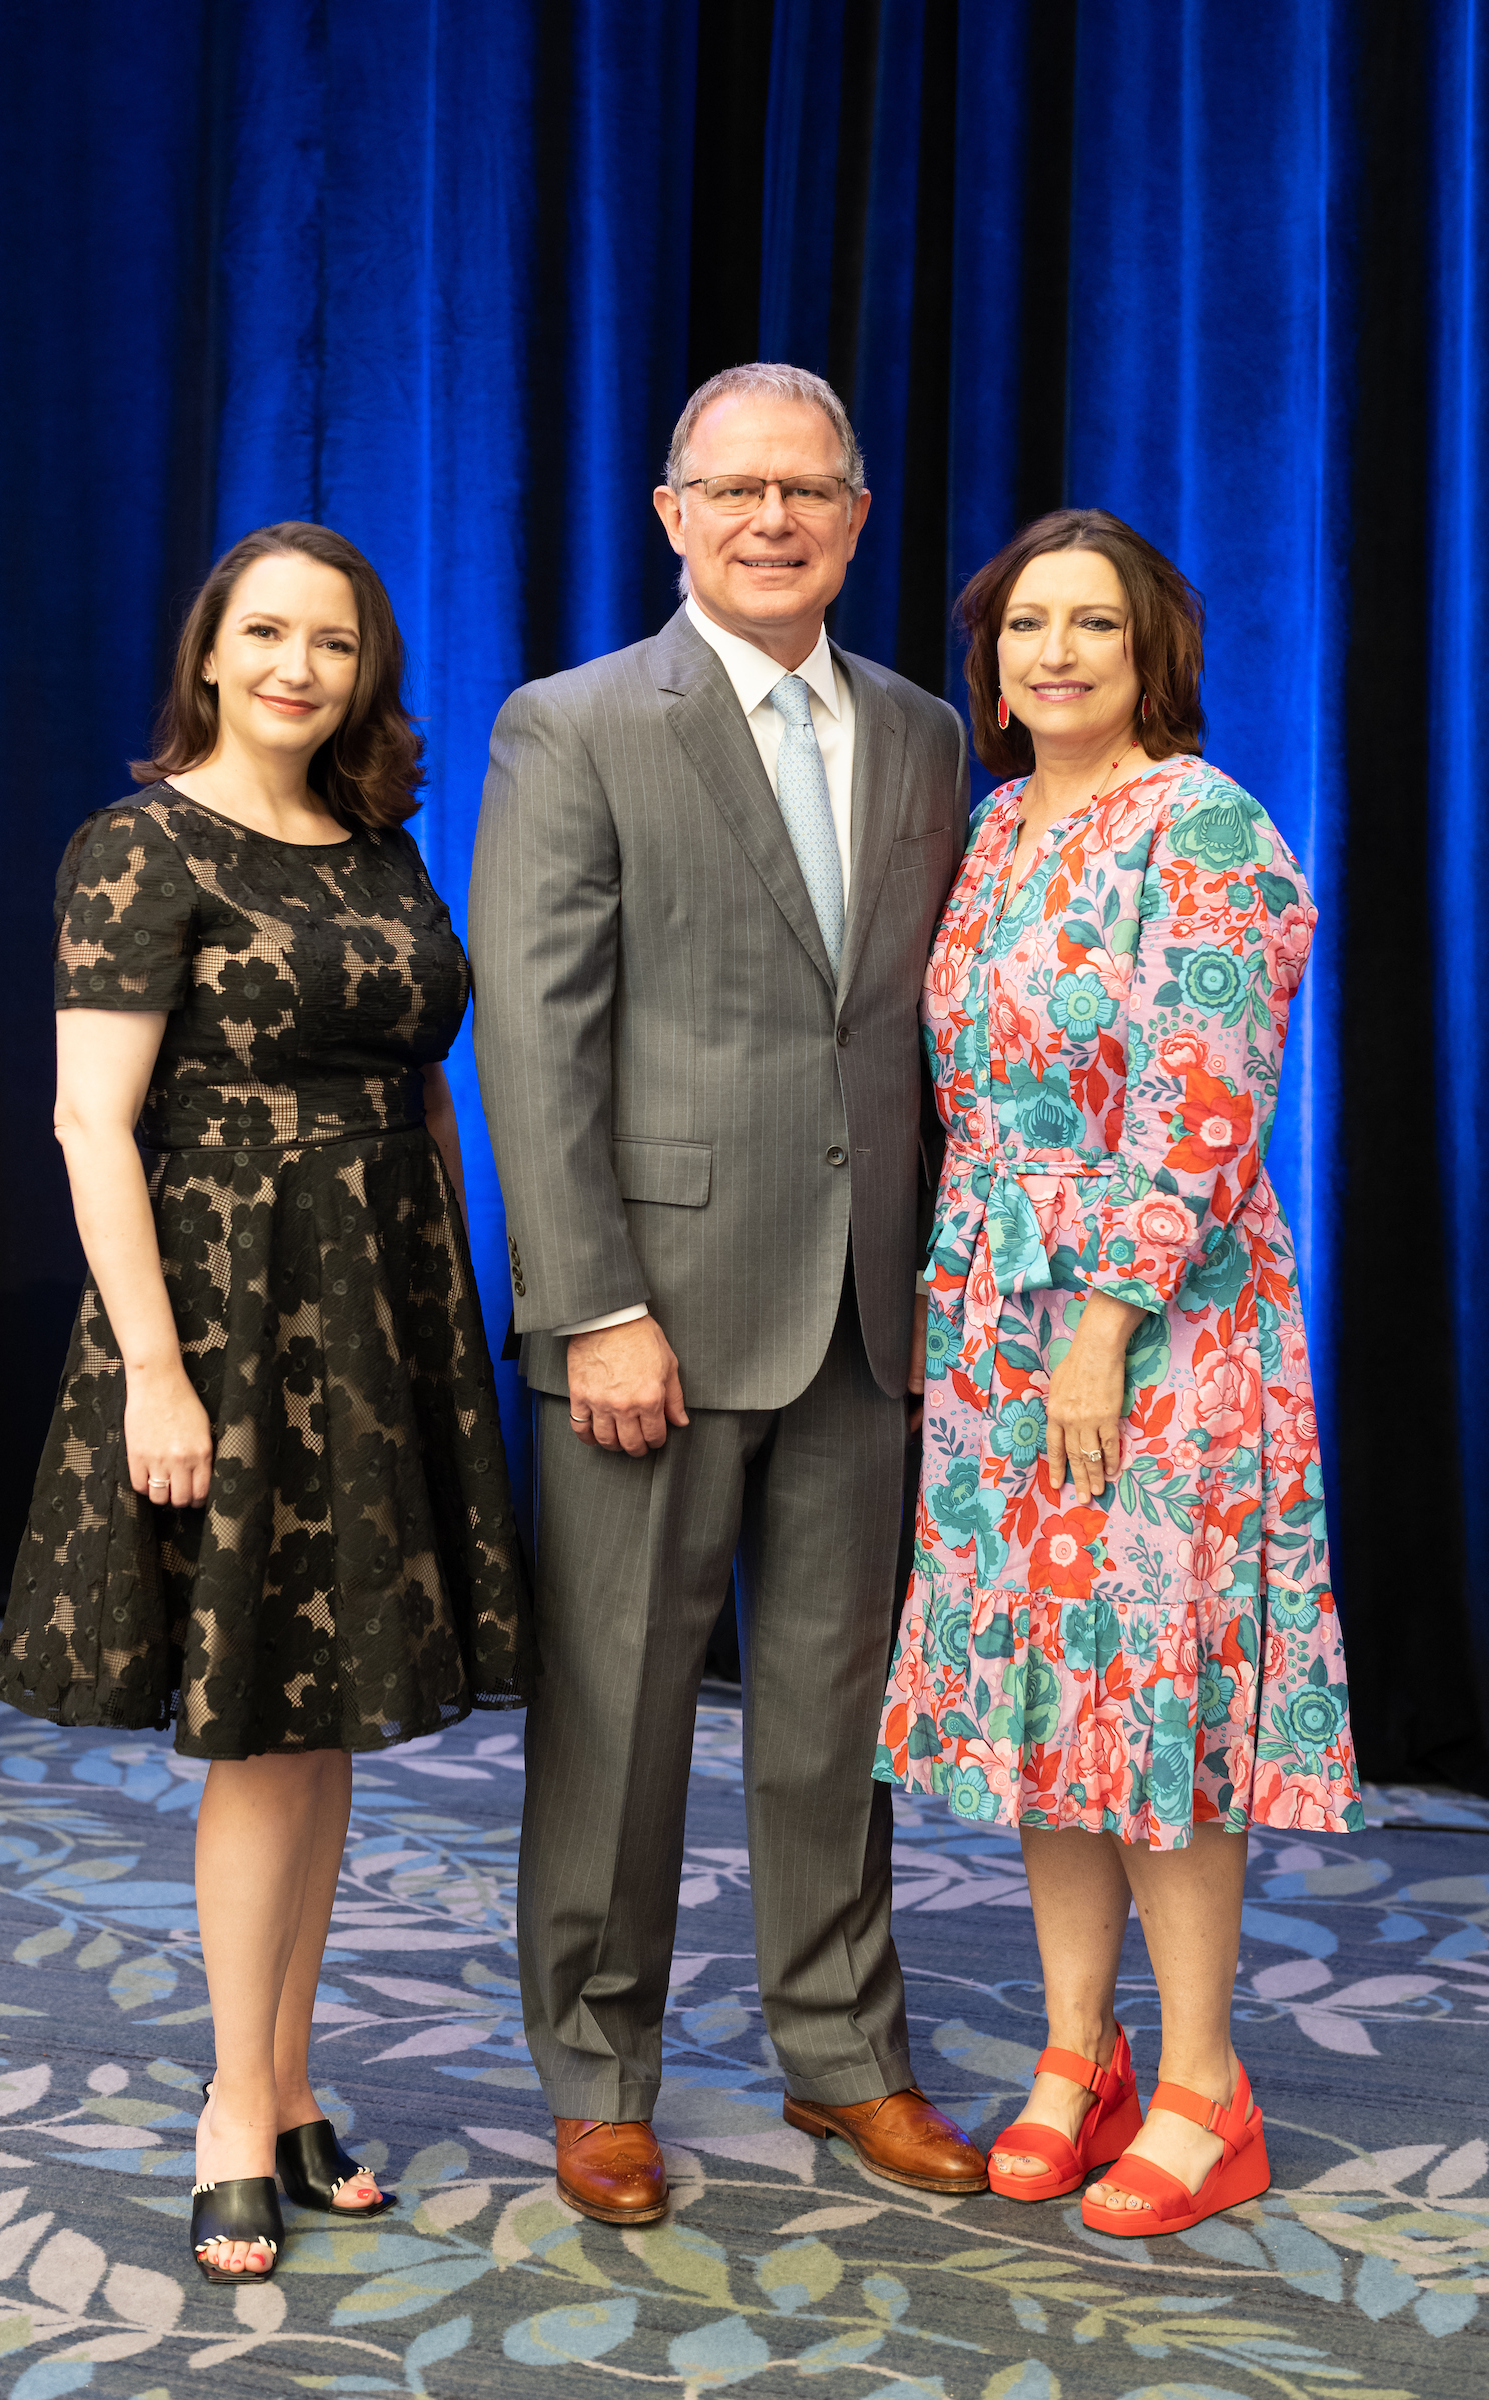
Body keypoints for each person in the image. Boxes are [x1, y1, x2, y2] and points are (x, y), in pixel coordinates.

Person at [0, 522, 536, 2281]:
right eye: (271, 634)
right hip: (225, 1305)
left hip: (381, 1304)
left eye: (336, 642)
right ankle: (234, 2106)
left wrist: (450, 1303)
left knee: (327, 1712)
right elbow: (90, 1124)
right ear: (210, 654)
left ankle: (291, 2081)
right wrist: (154, 1373)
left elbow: (423, 1088)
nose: (301, 667)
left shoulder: (381, 849)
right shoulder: (139, 845)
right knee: (253, 1716)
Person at [470, 362, 984, 2227]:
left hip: (868, 1308)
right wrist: (590, 1303)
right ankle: (599, 2075)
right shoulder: (576, 722)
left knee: (833, 1714)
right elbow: (538, 1039)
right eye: (737, 489)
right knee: (615, 1718)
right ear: (672, 514)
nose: (774, 519)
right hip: (653, 1319)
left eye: (808, 490)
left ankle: (844, 2055)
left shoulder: (927, 732)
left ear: (857, 519)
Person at [876, 509, 1363, 2236]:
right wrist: (968, 1313)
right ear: (992, 661)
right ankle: (1076, 2056)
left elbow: (1204, 1103)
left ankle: (1206, 2086)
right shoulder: (994, 825)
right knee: (1046, 1703)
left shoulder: (1205, 824)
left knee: (1154, 1696)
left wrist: (1100, 1323)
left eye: (1093, 622)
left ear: (1155, 651)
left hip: (1159, 1328)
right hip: (990, 1321)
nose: (1056, 652)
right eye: (1027, 625)